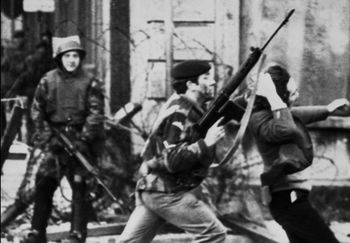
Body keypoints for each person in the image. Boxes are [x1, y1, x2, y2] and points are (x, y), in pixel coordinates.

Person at [238, 64, 349, 243]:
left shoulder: (277, 114)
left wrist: (328, 109)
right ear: (278, 98)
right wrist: (273, 95)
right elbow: (286, 127)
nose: (297, 96)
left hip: (290, 199)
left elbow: (296, 115)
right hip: (287, 200)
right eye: (293, 93)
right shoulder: (260, 120)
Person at [119, 60, 227, 243]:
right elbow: (171, 158)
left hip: (153, 189)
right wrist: (205, 143)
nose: (213, 82)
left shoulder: (187, 107)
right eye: (206, 77)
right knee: (214, 234)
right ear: (191, 85)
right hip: (166, 191)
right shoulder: (180, 111)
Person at [23, 36, 105, 243]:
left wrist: (84, 139)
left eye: (75, 56)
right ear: (60, 58)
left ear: (80, 58)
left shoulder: (90, 81)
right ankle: (37, 232)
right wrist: (46, 137)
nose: (71, 60)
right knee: (43, 184)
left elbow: (96, 113)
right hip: (55, 140)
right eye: (67, 56)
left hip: (79, 142)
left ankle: (77, 234)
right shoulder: (47, 80)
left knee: (80, 187)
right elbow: (37, 110)